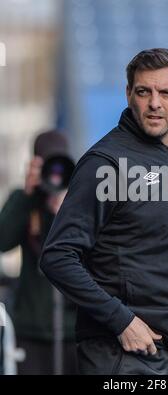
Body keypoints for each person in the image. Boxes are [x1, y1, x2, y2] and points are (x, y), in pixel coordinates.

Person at [39, 48, 168, 375]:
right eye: (143, 92)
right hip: (122, 354)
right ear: (128, 94)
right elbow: (57, 256)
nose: (154, 103)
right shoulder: (104, 164)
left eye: (166, 92)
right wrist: (121, 321)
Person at [0, 130, 77, 374]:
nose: (54, 177)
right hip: (30, 329)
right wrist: (27, 195)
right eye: (47, 168)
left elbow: (93, 253)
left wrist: (65, 209)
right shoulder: (24, 199)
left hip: (73, 329)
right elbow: (2, 241)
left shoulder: (79, 202)